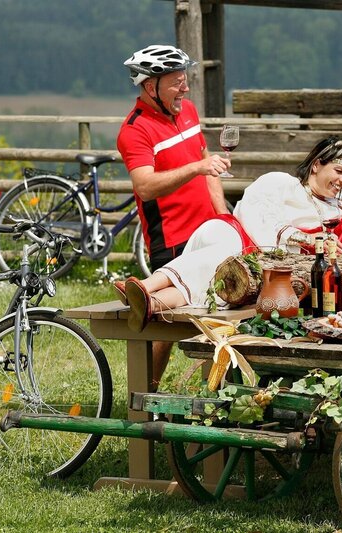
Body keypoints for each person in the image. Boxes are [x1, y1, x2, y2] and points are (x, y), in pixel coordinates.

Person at [122, 138, 342, 369]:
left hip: (260, 272)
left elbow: (336, 265)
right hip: (238, 238)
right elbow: (257, 217)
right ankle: (146, 286)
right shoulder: (280, 183)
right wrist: (306, 238)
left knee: (217, 278)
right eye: (339, 171)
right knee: (225, 254)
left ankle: (149, 302)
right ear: (317, 165)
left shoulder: (337, 216)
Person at [116, 44, 231, 390]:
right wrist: (196, 167)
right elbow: (145, 186)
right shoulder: (135, 130)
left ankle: (212, 395)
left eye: (185, 80)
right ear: (151, 86)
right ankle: (145, 395)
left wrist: (224, 216)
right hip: (172, 238)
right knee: (165, 329)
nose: (185, 88)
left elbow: (209, 166)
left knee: (217, 315)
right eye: (177, 82)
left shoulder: (188, 111)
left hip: (209, 231)